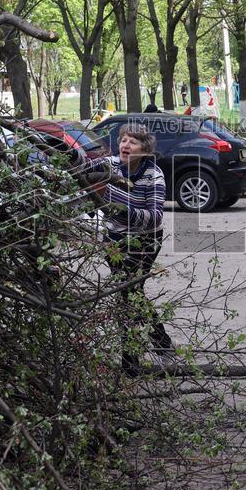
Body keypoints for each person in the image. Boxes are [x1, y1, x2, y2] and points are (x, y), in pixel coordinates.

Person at [83, 123, 171, 370]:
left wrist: (120, 211)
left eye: (132, 141)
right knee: (132, 293)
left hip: (145, 241)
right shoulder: (111, 164)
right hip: (114, 238)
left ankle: (130, 360)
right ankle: (161, 343)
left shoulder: (153, 175)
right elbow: (81, 167)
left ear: (145, 149)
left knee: (128, 294)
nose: (125, 145)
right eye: (123, 140)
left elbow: (155, 216)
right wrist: (60, 155)